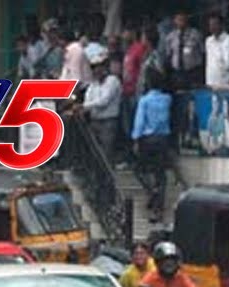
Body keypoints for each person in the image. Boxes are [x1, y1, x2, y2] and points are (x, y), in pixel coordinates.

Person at [131, 73, 173, 223]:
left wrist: (135, 139)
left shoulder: (145, 101)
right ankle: (158, 206)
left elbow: (140, 121)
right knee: (160, 174)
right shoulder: (167, 99)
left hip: (147, 139)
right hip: (163, 139)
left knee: (140, 170)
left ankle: (152, 193)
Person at [80, 53, 122, 159]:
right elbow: (88, 99)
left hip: (108, 122)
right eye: (93, 67)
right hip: (94, 121)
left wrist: (85, 107)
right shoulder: (93, 84)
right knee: (94, 154)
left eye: (99, 66)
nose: (96, 70)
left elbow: (104, 101)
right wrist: (83, 107)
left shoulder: (113, 81)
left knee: (106, 153)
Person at [135, 242, 204, 287]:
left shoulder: (181, 278)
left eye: (172, 261)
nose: (169, 265)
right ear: (158, 262)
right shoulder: (150, 278)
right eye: (166, 262)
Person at [164, 11, 205, 90]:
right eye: (179, 19)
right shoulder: (170, 37)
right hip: (177, 72)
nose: (181, 22)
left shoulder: (195, 34)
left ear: (187, 20)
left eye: (183, 19)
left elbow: (203, 52)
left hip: (193, 72)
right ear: (175, 21)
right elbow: (169, 54)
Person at [204, 13, 229, 88]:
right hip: (210, 81)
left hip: (225, 82)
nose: (212, 27)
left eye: (215, 24)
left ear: (222, 25)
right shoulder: (208, 41)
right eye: (210, 25)